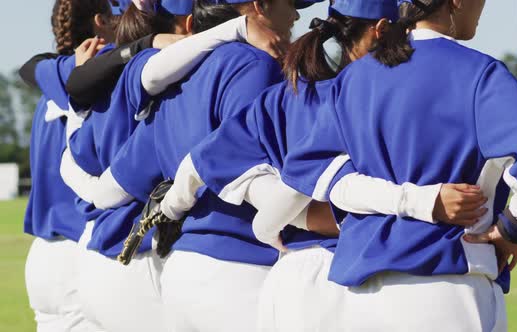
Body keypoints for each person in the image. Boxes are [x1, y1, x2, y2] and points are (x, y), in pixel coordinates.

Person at [249, 0, 517, 330]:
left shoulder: (355, 76)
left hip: (362, 294)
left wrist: (413, 200)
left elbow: (329, 180)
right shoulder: (478, 71)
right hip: (450, 282)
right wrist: (516, 227)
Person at [60, 1, 321, 330]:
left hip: (181, 271)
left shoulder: (176, 83)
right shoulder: (258, 65)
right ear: (259, 6)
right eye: (289, 2)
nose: (296, 13)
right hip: (243, 267)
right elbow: (253, 170)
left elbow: (110, 190)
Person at [19, 1, 117, 331]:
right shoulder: (107, 80)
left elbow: (33, 67)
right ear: (100, 21)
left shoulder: (51, 79)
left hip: (42, 258)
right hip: (81, 251)